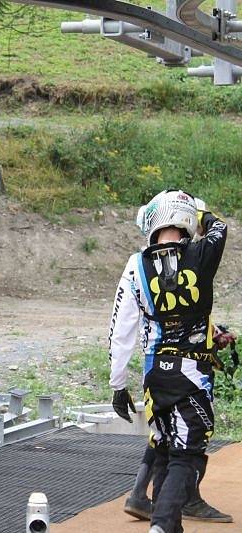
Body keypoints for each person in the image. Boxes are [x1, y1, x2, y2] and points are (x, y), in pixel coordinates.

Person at [108, 190, 229, 533]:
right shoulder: (201, 252)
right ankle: (161, 526)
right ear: (186, 218)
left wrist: (118, 384)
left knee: (163, 449)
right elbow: (219, 227)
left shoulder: (136, 265)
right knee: (186, 454)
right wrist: (201, 210)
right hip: (191, 373)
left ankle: (168, 526)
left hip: (153, 376)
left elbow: (120, 329)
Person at [123, 320, 236, 523]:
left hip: (157, 362)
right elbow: (181, 314)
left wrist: (212, 331)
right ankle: (187, 501)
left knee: (162, 433)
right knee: (189, 434)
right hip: (182, 364)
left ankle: (140, 494)